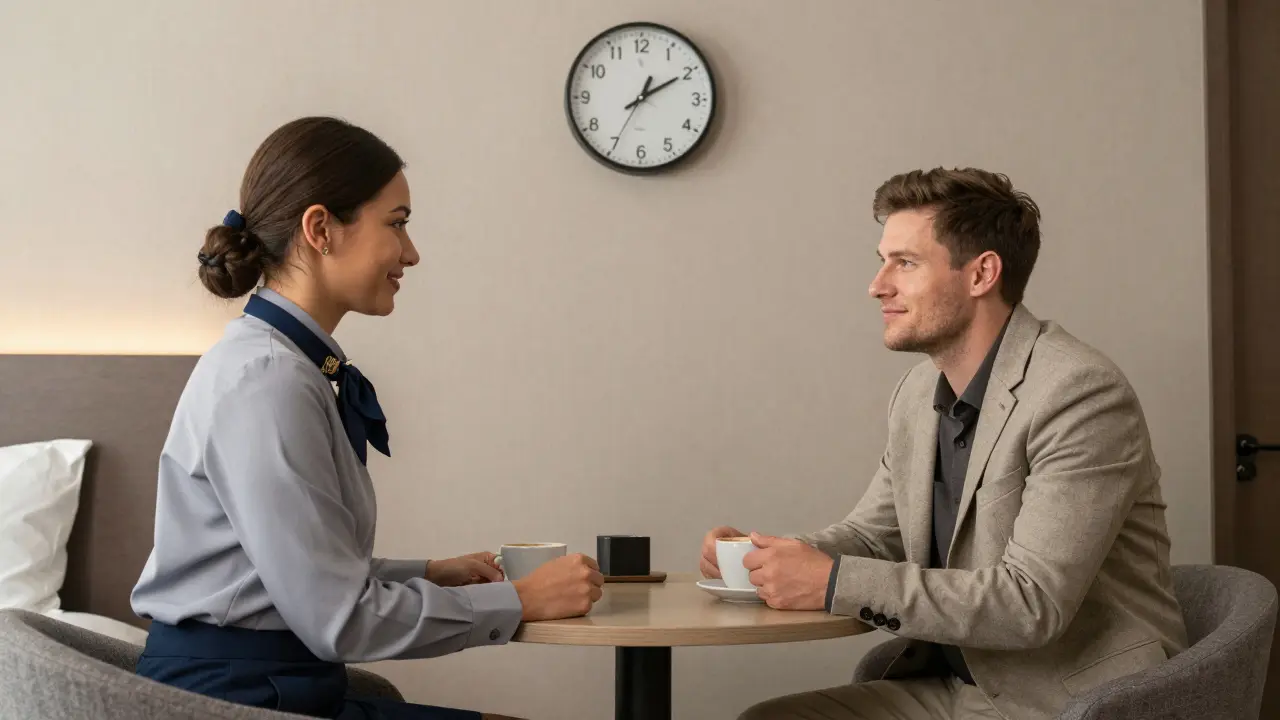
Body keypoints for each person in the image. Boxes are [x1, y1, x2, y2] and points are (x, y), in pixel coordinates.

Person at [130, 116, 604, 720]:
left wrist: (431, 573)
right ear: (321, 228)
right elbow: (338, 619)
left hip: (276, 688)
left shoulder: (286, 366)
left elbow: (287, 573)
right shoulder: (268, 381)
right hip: (239, 703)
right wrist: (520, 600)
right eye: (397, 225)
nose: (411, 253)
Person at [702, 168, 1188, 720]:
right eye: (882, 260)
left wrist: (831, 581)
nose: (877, 284)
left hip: (1070, 700)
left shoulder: (1080, 394)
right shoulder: (916, 394)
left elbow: (1031, 603)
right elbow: (875, 535)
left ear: (981, 273)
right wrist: (765, 556)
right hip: (958, 689)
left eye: (904, 263)